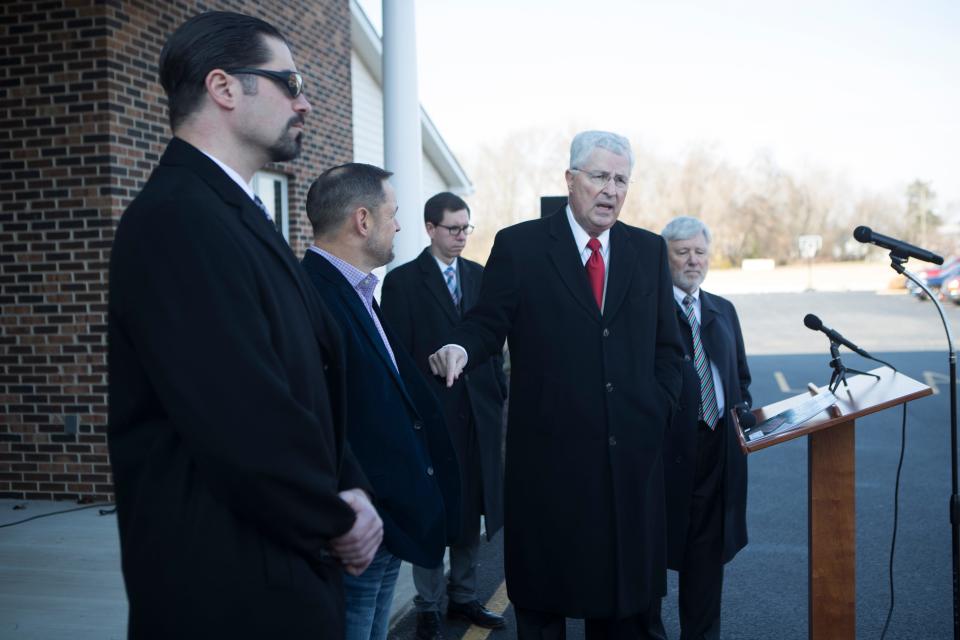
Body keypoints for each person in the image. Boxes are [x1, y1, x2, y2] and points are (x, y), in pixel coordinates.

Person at [108, 12, 382, 640]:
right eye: (290, 82)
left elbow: (305, 382)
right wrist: (335, 517)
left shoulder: (236, 213)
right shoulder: (176, 220)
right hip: (229, 590)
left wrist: (353, 486)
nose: (306, 102)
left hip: (277, 570)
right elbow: (238, 412)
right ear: (225, 88)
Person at [429, 130, 684, 639]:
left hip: (626, 473)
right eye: (599, 177)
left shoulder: (648, 250)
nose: (611, 190)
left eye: (621, 179)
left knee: (624, 617)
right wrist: (460, 346)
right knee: (545, 613)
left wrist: (657, 408)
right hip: (550, 474)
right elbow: (487, 322)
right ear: (570, 180)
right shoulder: (521, 246)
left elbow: (668, 349)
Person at [302, 163, 461, 640]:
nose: (399, 225)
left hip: (388, 515)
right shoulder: (312, 295)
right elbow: (319, 416)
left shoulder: (360, 292)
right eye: (393, 214)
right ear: (363, 220)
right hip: (357, 520)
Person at [381, 192, 508, 639]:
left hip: (481, 415)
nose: (461, 237)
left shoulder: (479, 276)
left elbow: (493, 345)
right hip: (433, 417)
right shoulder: (402, 283)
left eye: (466, 228)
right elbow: (397, 355)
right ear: (430, 229)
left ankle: (465, 596)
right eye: (453, 229)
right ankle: (429, 605)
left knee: (472, 509)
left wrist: (499, 394)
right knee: (435, 511)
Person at [656, 216, 753, 640]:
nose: (693, 261)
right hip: (666, 453)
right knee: (652, 555)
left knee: (706, 560)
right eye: (682, 252)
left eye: (700, 252)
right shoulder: (649, 310)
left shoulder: (722, 310)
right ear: (665, 258)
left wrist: (744, 413)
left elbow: (741, 377)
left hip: (719, 450)